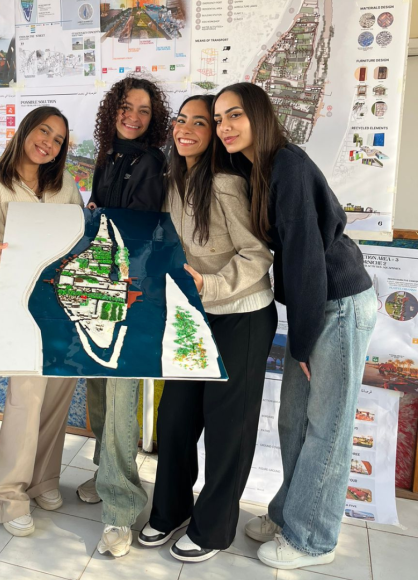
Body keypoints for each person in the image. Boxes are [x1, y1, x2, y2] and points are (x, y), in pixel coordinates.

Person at [213, 82, 377, 570]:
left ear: (260, 116)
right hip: (316, 305)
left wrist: (301, 343)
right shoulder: (258, 167)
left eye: (235, 115)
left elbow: (306, 257)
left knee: (327, 427)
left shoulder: (286, 165)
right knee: (293, 421)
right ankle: (290, 513)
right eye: (219, 118)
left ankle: (313, 539)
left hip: (339, 303)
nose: (224, 127)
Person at [137, 95, 277, 563]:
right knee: (175, 418)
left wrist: (211, 285)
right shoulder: (175, 178)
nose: (188, 128)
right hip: (195, 313)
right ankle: (171, 508)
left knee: (227, 429)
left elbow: (258, 254)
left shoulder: (223, 182)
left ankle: (213, 528)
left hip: (242, 315)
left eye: (204, 122)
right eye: (183, 120)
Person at [0, 106, 83, 537]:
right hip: (19, 308)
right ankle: (7, 494)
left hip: (64, 307)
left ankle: (43, 480)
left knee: (57, 395)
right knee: (25, 399)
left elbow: (79, 237)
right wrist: (3, 259)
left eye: (57, 139)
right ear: (24, 131)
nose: (48, 143)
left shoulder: (65, 186)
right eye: (43, 132)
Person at [76, 76, 171, 558]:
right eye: (126, 107)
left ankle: (119, 508)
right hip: (102, 284)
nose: (133, 116)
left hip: (130, 293)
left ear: (154, 121)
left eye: (144, 111)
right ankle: (103, 472)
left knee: (119, 395)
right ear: (112, 111)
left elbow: (139, 232)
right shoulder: (109, 155)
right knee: (98, 386)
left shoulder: (151, 161)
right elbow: (106, 218)